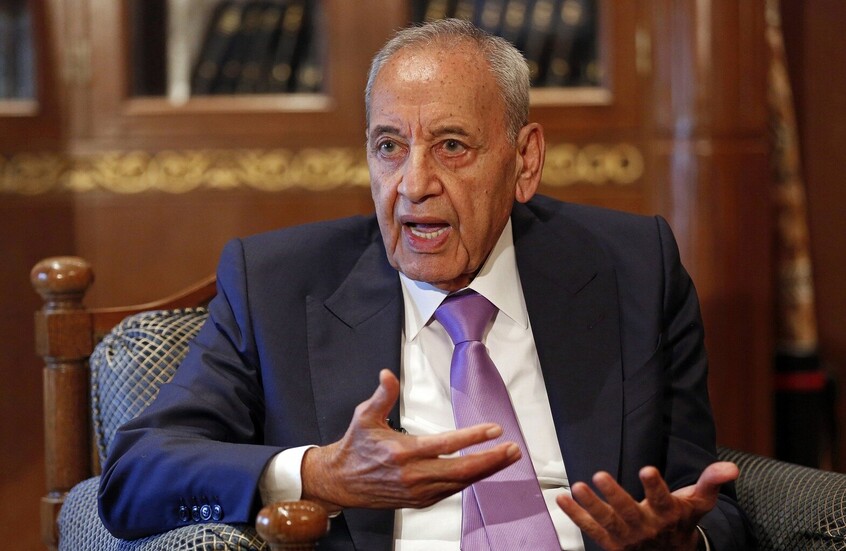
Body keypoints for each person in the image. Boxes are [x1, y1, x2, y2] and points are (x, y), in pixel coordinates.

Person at [99, 18, 752, 551]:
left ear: (524, 160)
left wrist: (682, 542)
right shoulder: (276, 285)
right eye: (389, 146)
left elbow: (704, 495)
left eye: (451, 146)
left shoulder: (634, 268)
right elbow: (133, 475)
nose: (413, 184)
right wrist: (319, 474)